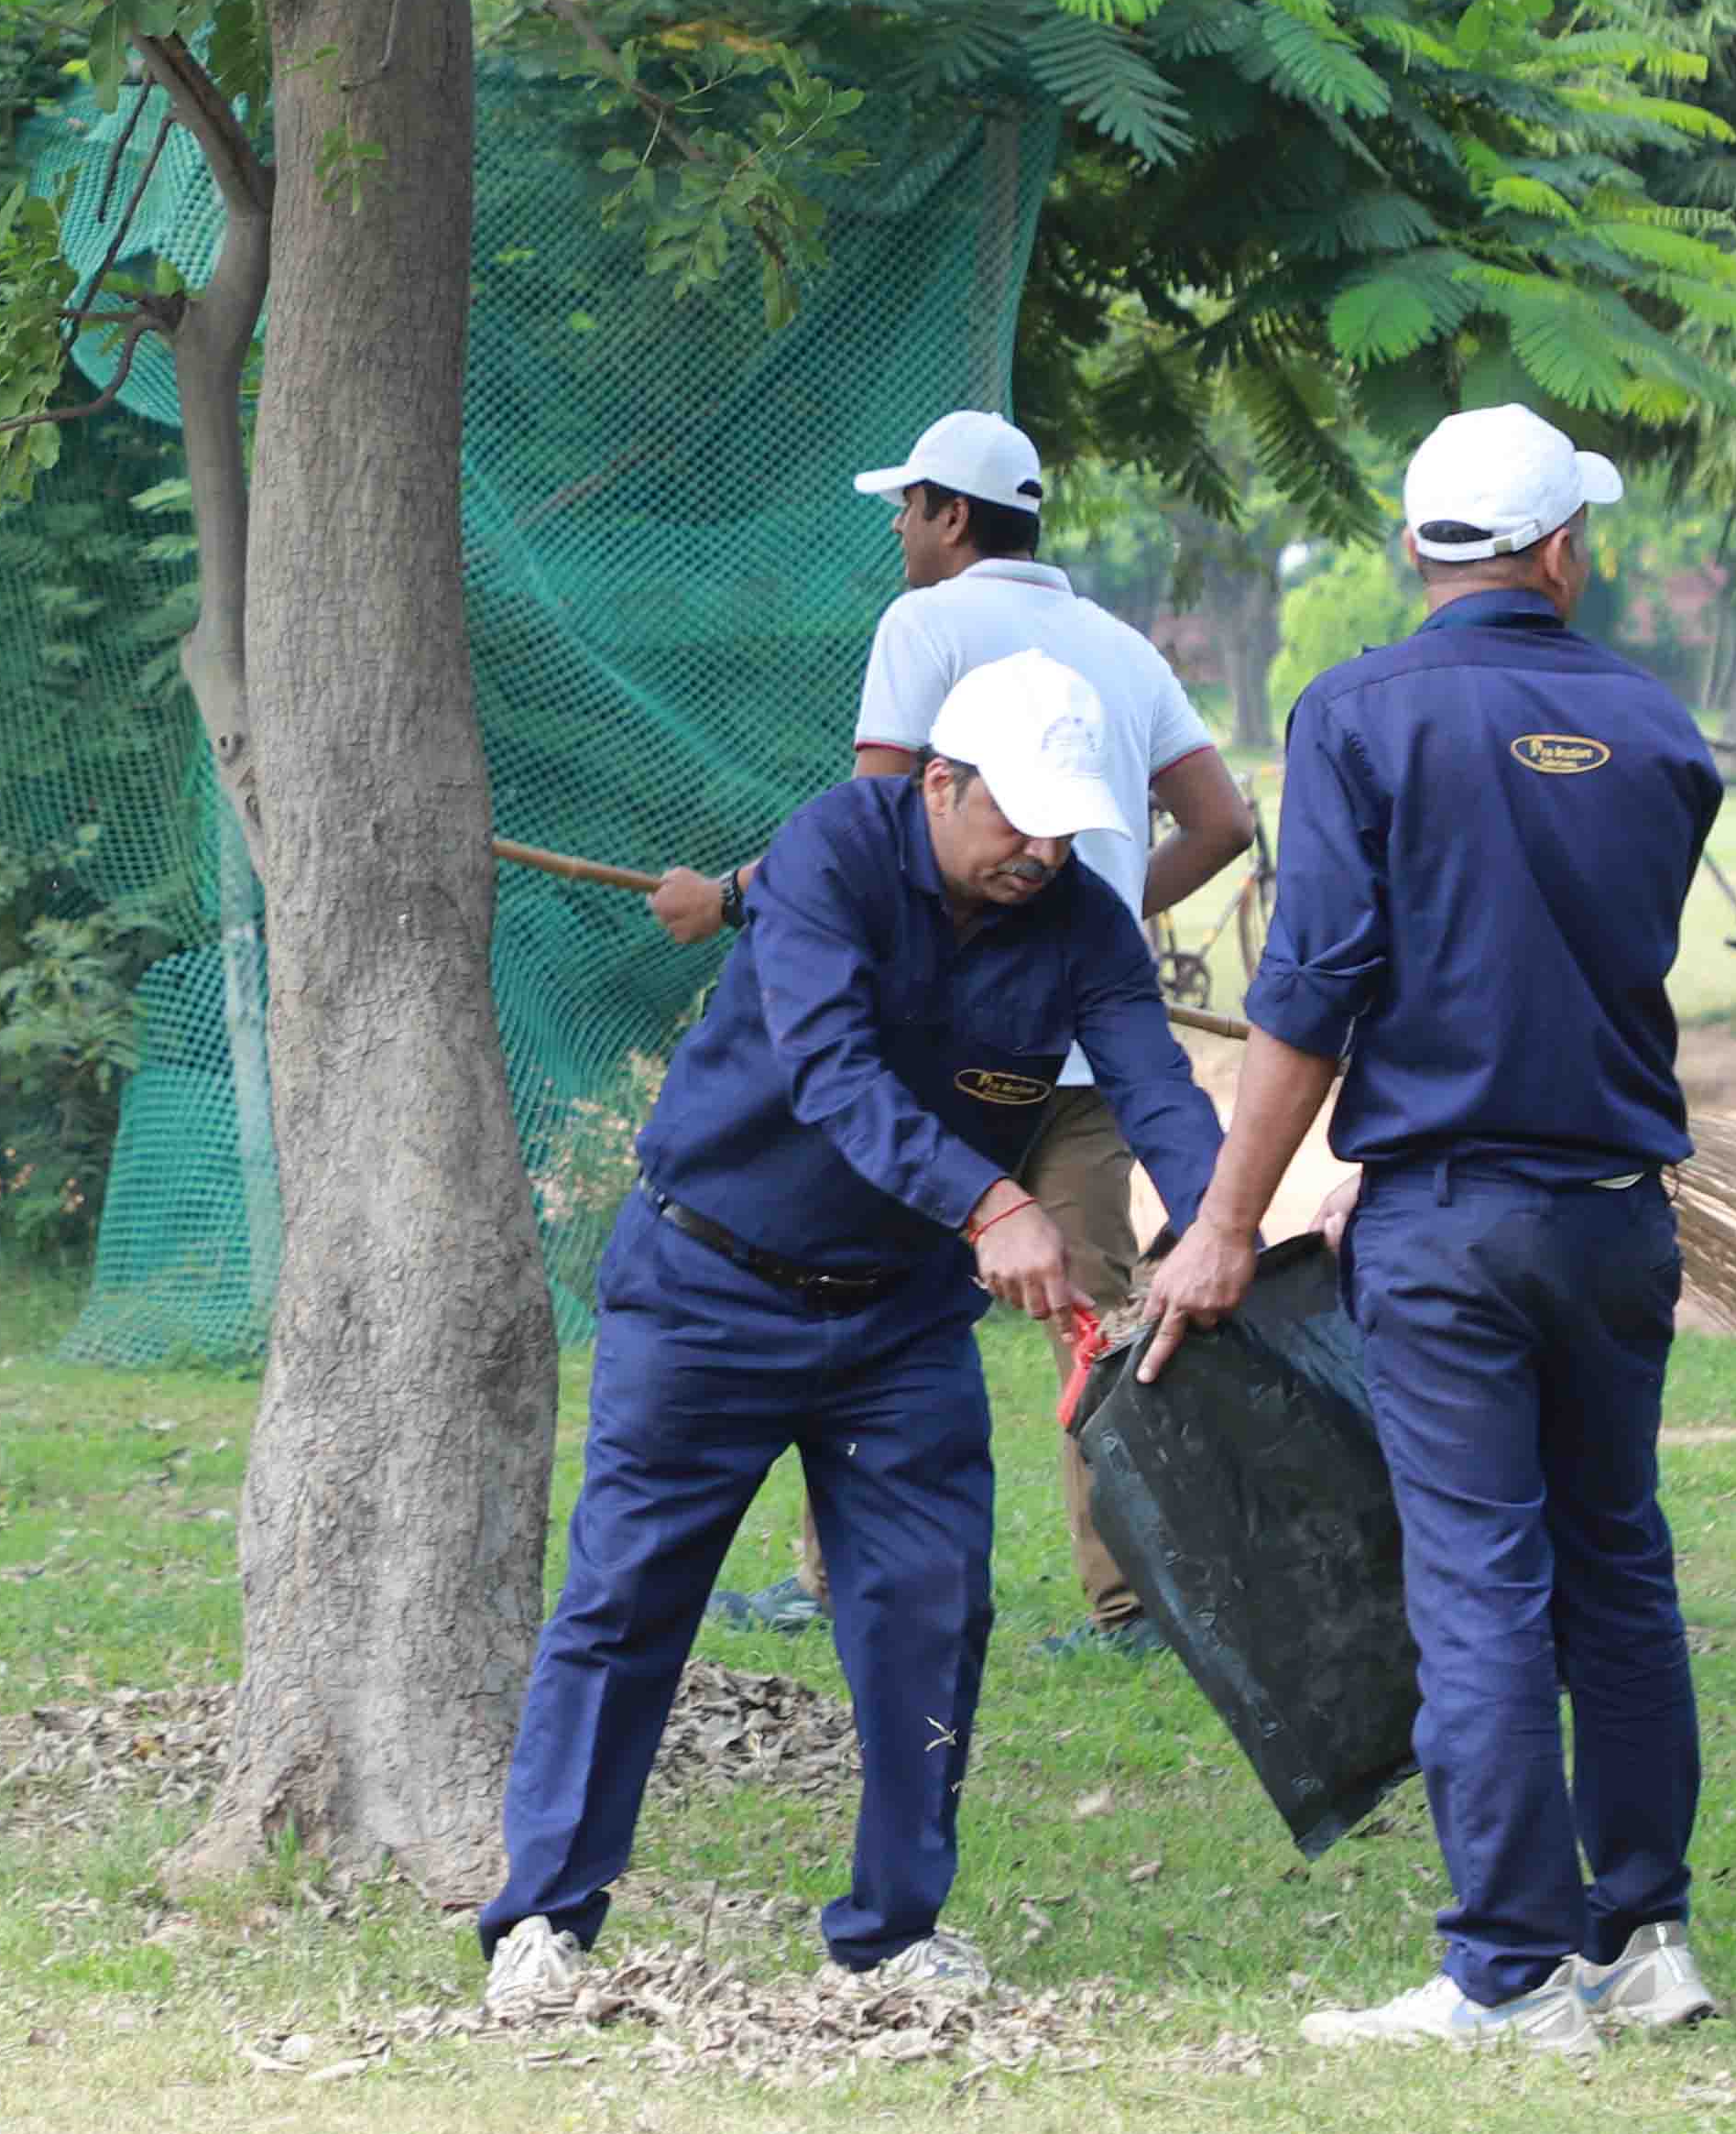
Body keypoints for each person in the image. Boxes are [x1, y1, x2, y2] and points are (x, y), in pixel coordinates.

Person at [489, 651, 1228, 2008]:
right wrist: (994, 1201)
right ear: (940, 784)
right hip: (708, 1288)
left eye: (1068, 829)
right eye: (1018, 818)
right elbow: (831, 1069)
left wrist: (1222, 1223)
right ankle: (544, 1919)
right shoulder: (830, 853)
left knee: (930, 1613)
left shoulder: (1079, 918)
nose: (1044, 851)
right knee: (627, 1597)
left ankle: (894, 1930)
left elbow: (1156, 1083)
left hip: (899, 1322)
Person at [1137, 406, 1724, 2054]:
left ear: (1417, 549)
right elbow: (1565, 961)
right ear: (1561, 553)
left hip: (1450, 1229)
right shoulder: (1662, 728)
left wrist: (1227, 1221)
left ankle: (1511, 1976)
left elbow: (1315, 988)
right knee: (1618, 1569)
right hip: (1614, 1222)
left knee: (1481, 1584)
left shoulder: (1360, 714)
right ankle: (1644, 1939)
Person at [651, 407, 1260, 1654]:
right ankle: (1130, 1605)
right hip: (1071, 1072)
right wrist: (1088, 928)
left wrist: (724, 900)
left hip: (935, 1066)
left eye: (908, 507)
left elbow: (865, 836)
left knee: (865, 1277)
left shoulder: (923, 623)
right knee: (1103, 1319)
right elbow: (1223, 823)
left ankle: (837, 1584)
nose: (897, 529)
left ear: (951, 515)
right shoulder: (1122, 645)